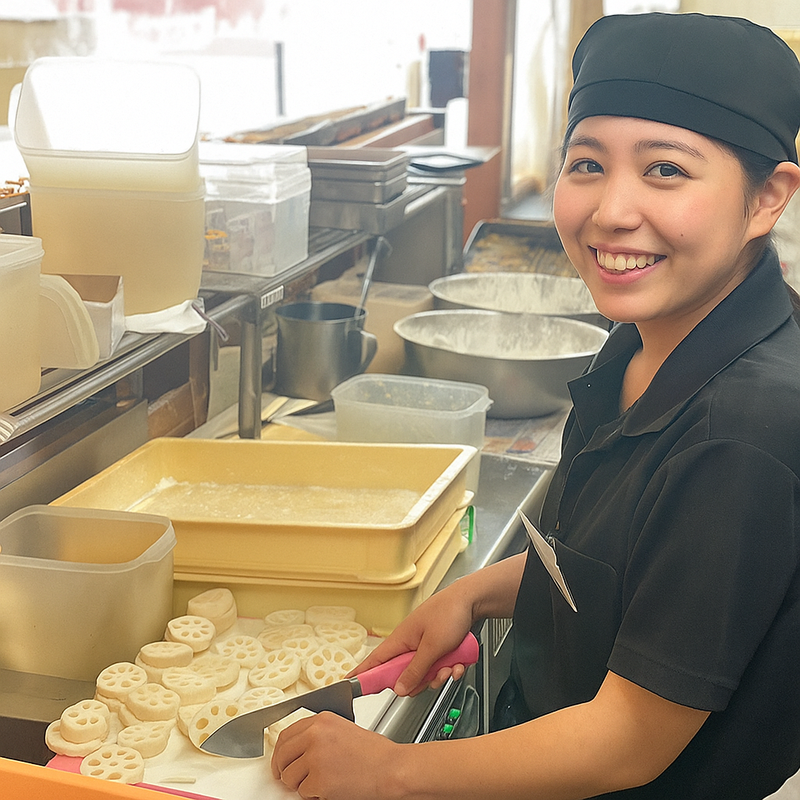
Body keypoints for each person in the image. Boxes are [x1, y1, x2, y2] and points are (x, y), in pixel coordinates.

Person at [271, 12, 800, 799]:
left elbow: (630, 737)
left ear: (767, 198)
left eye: (665, 171)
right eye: (587, 163)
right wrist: (475, 592)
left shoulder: (742, 432)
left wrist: (393, 771)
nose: (612, 210)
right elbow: (617, 561)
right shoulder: (643, 341)